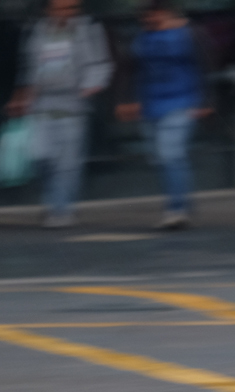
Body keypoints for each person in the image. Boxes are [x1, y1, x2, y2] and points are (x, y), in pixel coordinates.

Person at [4, 0, 113, 228]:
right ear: (49, 10)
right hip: (42, 102)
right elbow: (29, 67)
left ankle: (62, 208)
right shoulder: (38, 31)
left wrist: (92, 84)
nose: (67, 13)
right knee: (40, 156)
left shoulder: (88, 29)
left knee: (68, 162)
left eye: (72, 8)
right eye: (62, 8)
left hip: (73, 102)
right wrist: (23, 96)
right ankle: (53, 200)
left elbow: (101, 63)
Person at [116, 0, 213, 230]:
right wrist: (127, 100)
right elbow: (130, 69)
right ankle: (183, 200)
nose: (148, 22)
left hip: (181, 102)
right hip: (150, 105)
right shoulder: (141, 38)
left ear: (166, 14)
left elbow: (206, 66)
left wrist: (207, 100)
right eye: (145, 18)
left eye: (153, 17)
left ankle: (176, 209)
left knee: (171, 154)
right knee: (161, 157)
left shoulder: (189, 34)